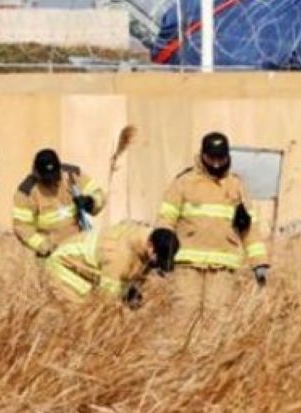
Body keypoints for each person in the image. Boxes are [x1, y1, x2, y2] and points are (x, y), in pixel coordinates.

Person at [156, 132, 269, 322]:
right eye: (211, 159)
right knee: (184, 316)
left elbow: (250, 229)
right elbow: (165, 218)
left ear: (227, 157)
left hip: (222, 267)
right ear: (202, 155)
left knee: (217, 319)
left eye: (220, 159)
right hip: (187, 265)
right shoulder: (184, 183)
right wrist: (162, 251)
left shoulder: (236, 187)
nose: (216, 164)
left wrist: (259, 263)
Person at [45, 222, 179, 306]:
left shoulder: (147, 242)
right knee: (84, 311)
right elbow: (107, 301)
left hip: (88, 270)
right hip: (63, 266)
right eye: (158, 259)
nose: (157, 264)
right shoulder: (119, 255)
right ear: (150, 246)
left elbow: (137, 271)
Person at [12, 148, 105, 259]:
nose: (52, 182)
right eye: (47, 179)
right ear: (37, 174)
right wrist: (44, 246)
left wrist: (90, 202)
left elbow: (98, 193)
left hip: (79, 244)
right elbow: (23, 227)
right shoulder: (26, 192)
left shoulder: (72, 174)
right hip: (51, 252)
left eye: (54, 176)